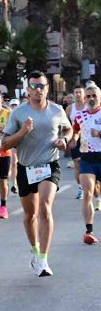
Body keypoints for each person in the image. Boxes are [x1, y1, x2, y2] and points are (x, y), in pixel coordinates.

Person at [1, 71, 71, 277]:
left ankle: (43, 258)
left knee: (45, 208)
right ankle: (34, 249)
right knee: (30, 215)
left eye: (42, 86)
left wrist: (64, 140)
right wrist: (23, 132)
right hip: (26, 167)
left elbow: (68, 130)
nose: (38, 90)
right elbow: (5, 143)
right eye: (34, 86)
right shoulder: (18, 113)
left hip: (49, 164)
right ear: (28, 90)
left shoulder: (57, 110)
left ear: (47, 88)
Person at [72, 84, 101, 244]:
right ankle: (88, 231)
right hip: (88, 159)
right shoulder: (81, 116)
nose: (91, 99)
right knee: (88, 193)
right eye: (88, 96)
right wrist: (73, 139)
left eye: (94, 96)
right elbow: (75, 131)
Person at [67, 85, 88, 200]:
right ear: (74, 94)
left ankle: (91, 185)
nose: (78, 94)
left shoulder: (88, 106)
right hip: (75, 137)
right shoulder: (70, 108)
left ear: (84, 94)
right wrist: (65, 139)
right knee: (77, 164)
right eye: (76, 92)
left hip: (87, 138)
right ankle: (80, 188)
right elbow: (64, 124)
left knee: (87, 162)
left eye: (80, 92)